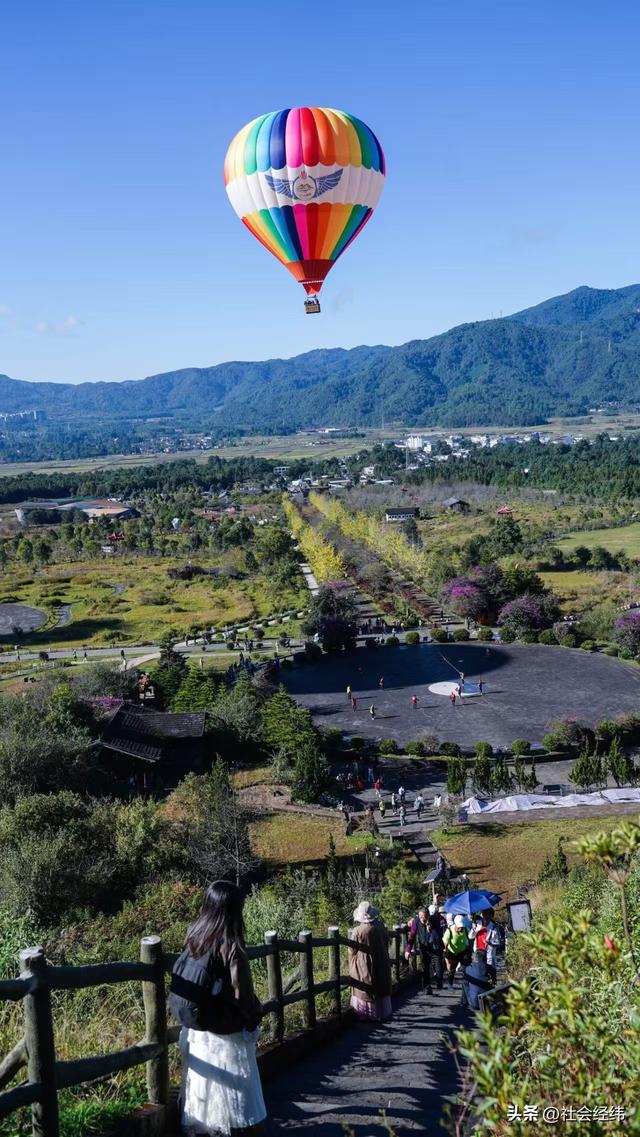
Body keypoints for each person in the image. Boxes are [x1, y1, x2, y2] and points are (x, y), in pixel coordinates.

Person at [174, 880, 266, 1136]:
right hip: (226, 1031)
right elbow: (242, 994)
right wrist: (254, 1019)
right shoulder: (231, 946)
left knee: (207, 1092)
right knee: (235, 1097)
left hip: (199, 1029)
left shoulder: (194, 937)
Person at [348, 902, 392, 1021]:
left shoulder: (358, 930)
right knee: (380, 982)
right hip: (381, 958)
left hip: (364, 961)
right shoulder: (380, 926)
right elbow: (387, 941)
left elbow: (352, 949)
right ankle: (381, 1012)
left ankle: (367, 1014)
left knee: (365, 983)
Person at [442, 915, 470, 989]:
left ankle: (467, 984)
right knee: (452, 970)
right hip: (452, 952)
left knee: (466, 968)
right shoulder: (449, 930)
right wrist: (446, 954)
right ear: (455, 925)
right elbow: (445, 942)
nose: (460, 929)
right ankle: (450, 984)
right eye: (459, 927)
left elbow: (471, 938)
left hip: (462, 952)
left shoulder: (466, 930)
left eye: (462, 927)